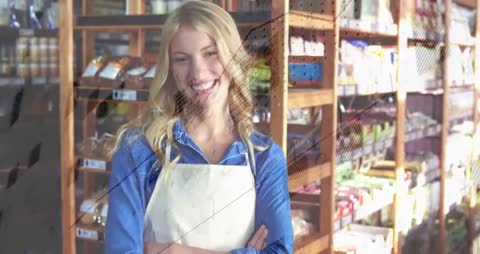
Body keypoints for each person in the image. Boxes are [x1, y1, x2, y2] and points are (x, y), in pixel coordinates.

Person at [104, 1, 293, 253]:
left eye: (210, 53)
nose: (198, 72)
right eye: (181, 59)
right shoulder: (137, 151)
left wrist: (173, 251)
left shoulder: (264, 157)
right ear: (170, 70)